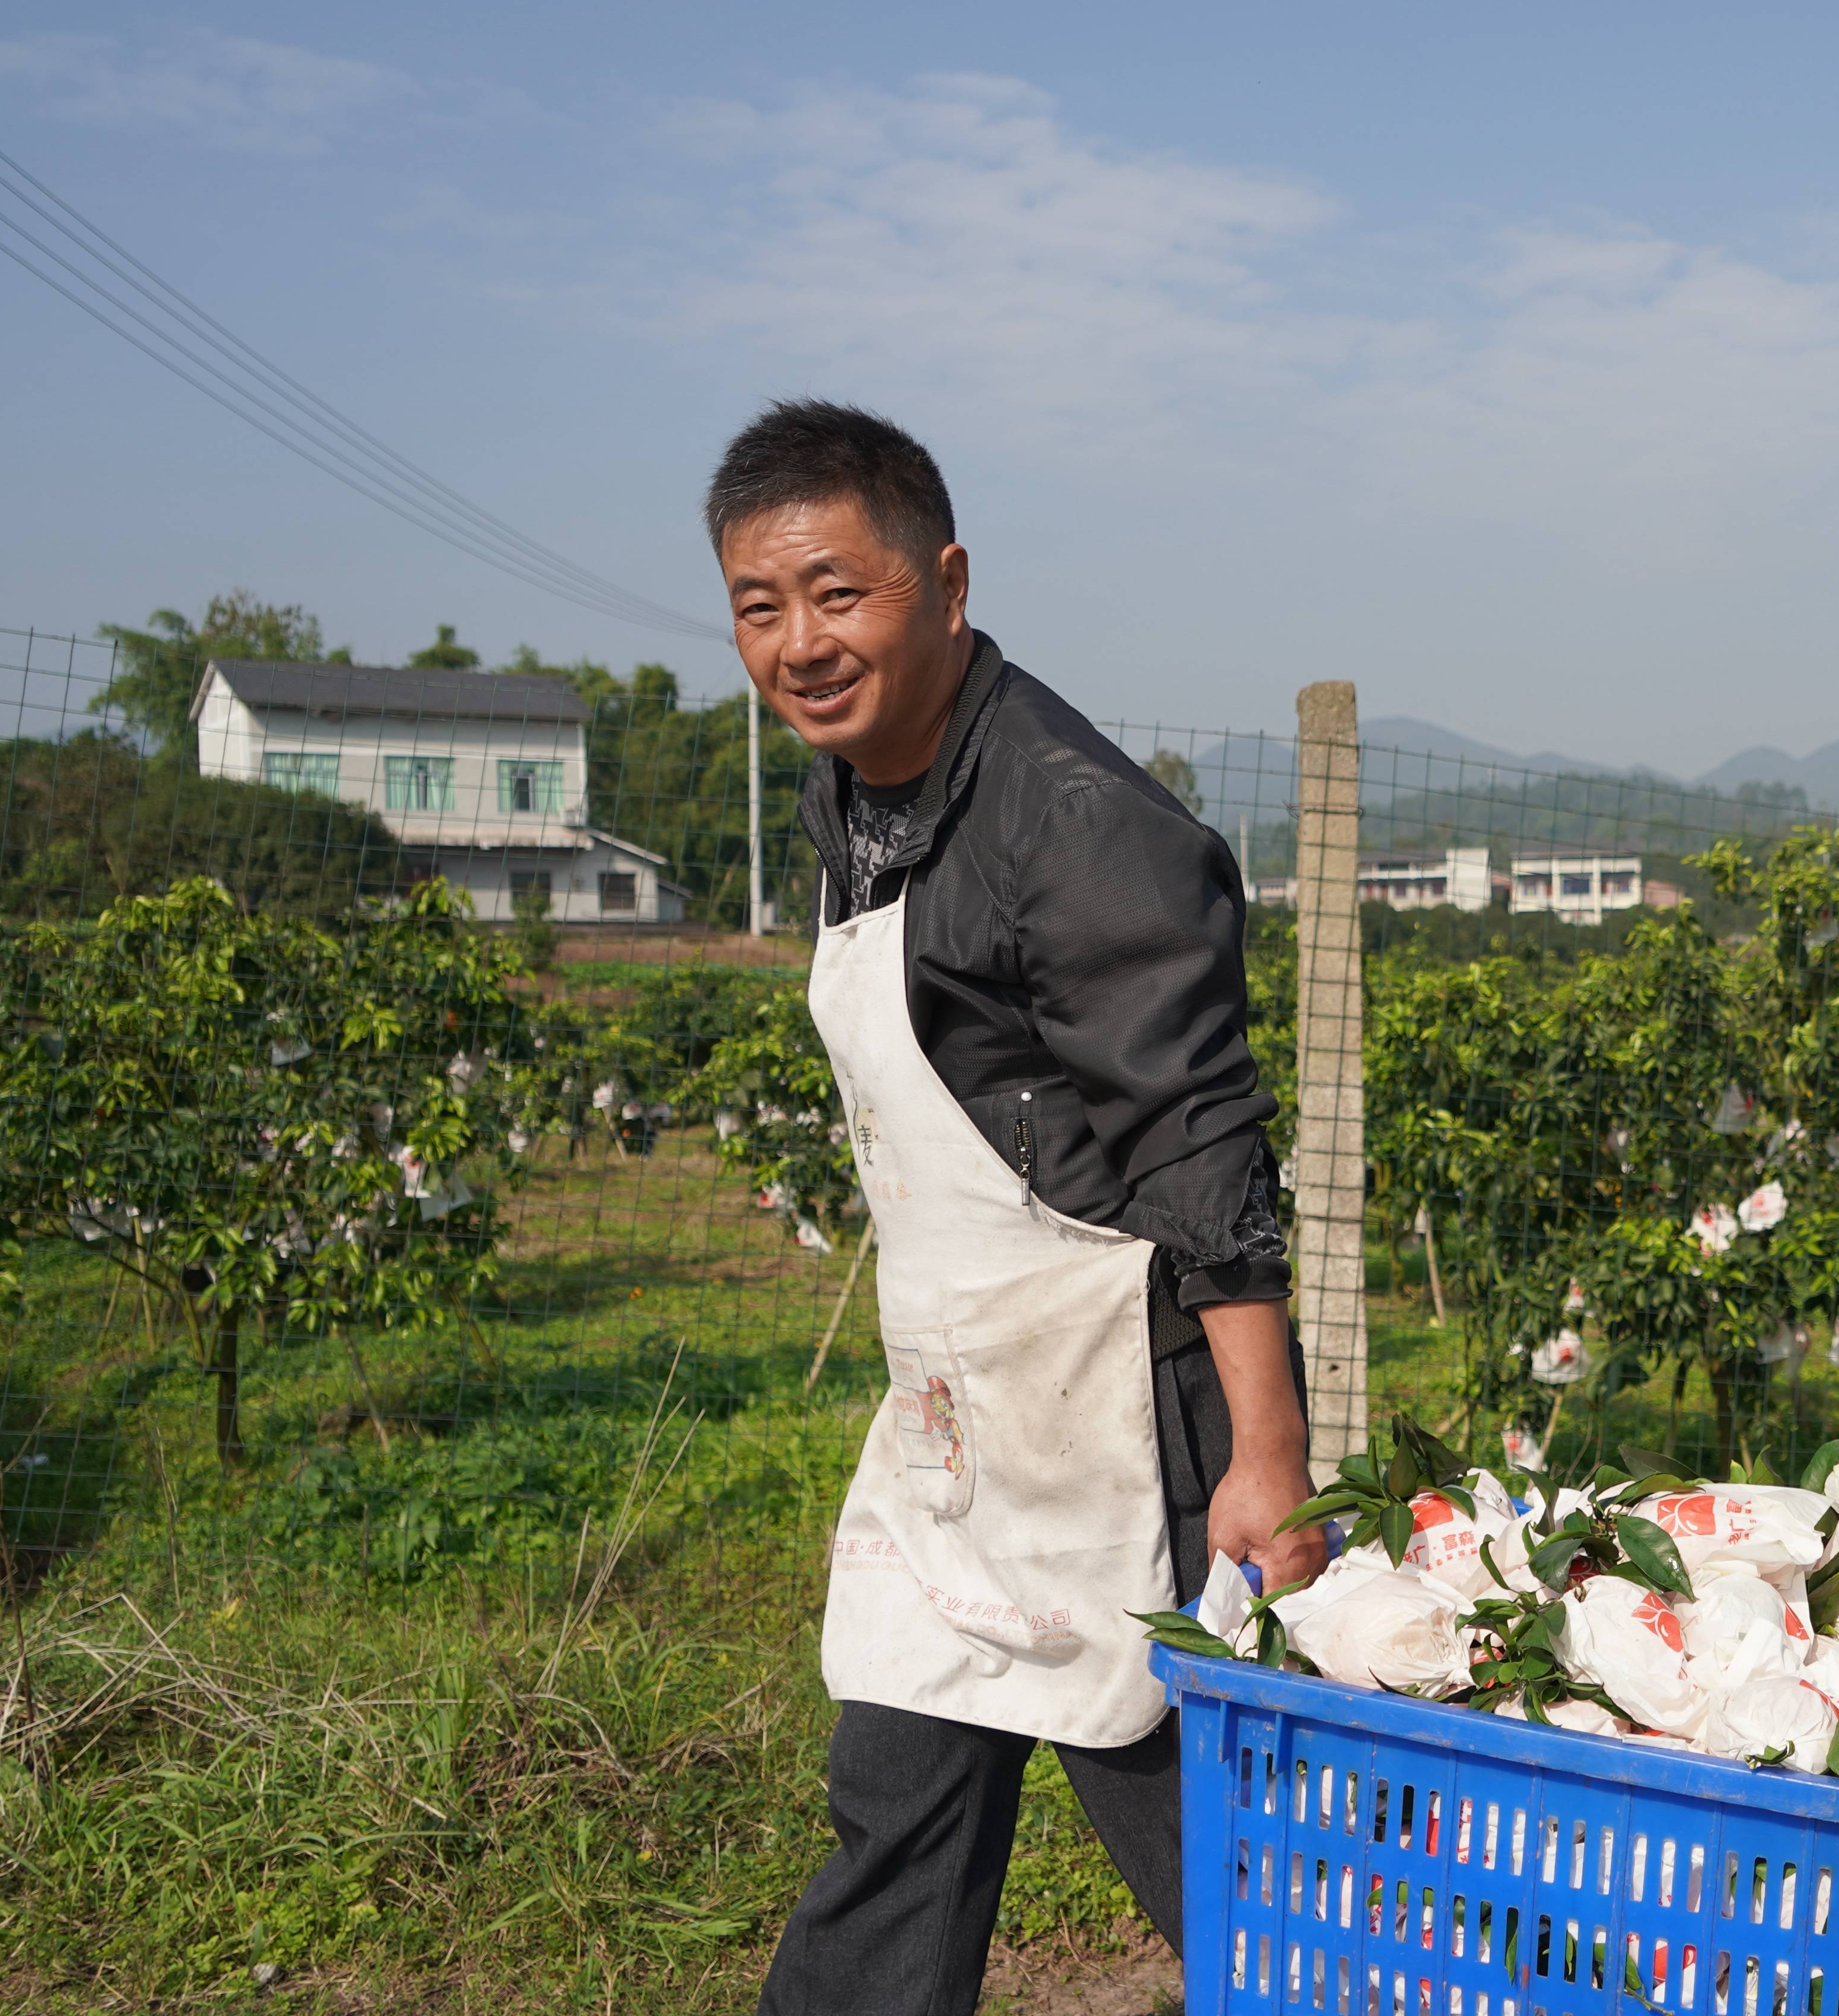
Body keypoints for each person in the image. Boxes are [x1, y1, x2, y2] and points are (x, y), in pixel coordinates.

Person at [717, 401, 1329, 2016]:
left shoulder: (1077, 825)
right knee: (895, 1810)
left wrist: (1265, 1453)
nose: (800, 643)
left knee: (1243, 1871)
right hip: (964, 1420)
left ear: (947, 584)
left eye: (839, 593)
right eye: (759, 606)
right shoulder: (854, 796)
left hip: (1135, 1411)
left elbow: (1202, 1141)